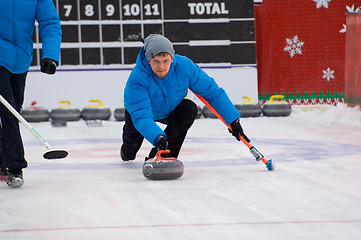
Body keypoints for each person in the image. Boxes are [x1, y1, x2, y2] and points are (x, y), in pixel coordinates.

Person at [121, 34, 250, 162]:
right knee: (129, 151)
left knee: (189, 108)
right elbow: (142, 116)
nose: (161, 66)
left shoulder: (185, 67)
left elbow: (213, 93)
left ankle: (165, 155)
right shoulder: (137, 78)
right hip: (139, 114)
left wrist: (233, 121)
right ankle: (128, 150)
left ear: (172, 58)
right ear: (148, 60)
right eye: (156, 61)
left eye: (165, 61)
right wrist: (158, 137)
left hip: (171, 109)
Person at [0, 0, 62, 187]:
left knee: (13, 110)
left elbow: (50, 22)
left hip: (20, 60)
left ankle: (3, 160)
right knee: (8, 111)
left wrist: (50, 55)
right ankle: (15, 166)